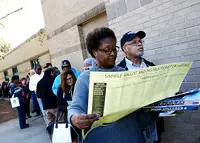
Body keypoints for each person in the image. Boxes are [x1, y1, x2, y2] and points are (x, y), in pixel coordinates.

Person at [68, 27, 157, 142]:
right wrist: (74, 118)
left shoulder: (124, 73)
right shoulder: (85, 78)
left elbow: (138, 109)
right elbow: (75, 107)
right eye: (107, 50)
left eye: (114, 49)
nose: (113, 53)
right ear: (95, 52)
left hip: (133, 137)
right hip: (102, 138)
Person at [118, 31, 164, 143]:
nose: (139, 44)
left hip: (153, 123)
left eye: (140, 41)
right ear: (125, 48)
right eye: (134, 42)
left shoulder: (152, 67)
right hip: (132, 126)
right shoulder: (118, 72)